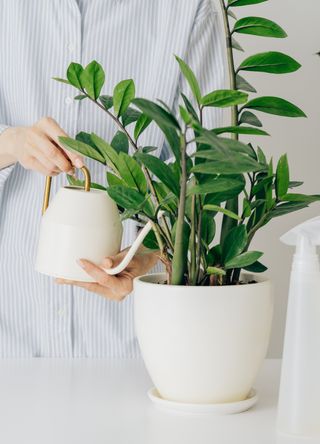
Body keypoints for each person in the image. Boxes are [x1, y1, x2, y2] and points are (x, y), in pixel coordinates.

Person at [0, 0, 224, 357]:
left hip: (131, 344)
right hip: (12, 337)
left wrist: (152, 254)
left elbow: (211, 168)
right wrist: (12, 143)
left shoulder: (190, 9)